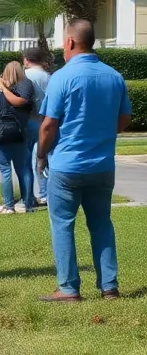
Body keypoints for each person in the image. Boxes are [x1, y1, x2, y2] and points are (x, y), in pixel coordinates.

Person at [37, 19, 132, 303]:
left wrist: (41, 155)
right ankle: (109, 287)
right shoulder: (114, 76)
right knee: (102, 223)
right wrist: (101, 132)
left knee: (63, 224)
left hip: (67, 165)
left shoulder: (62, 77)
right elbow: (124, 118)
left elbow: (48, 125)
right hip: (102, 164)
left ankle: (68, 288)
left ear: (69, 43)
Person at [0, 61, 36, 214]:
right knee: (23, 169)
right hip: (20, 133)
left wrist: (1, 87)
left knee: (5, 171)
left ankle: (8, 205)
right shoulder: (25, 87)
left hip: (0, 135)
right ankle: (27, 203)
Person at [23, 47, 52, 204]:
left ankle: (29, 195)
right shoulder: (49, 77)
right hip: (45, 121)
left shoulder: (25, 75)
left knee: (26, 160)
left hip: (28, 120)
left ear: (27, 60)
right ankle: (45, 193)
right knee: (42, 158)